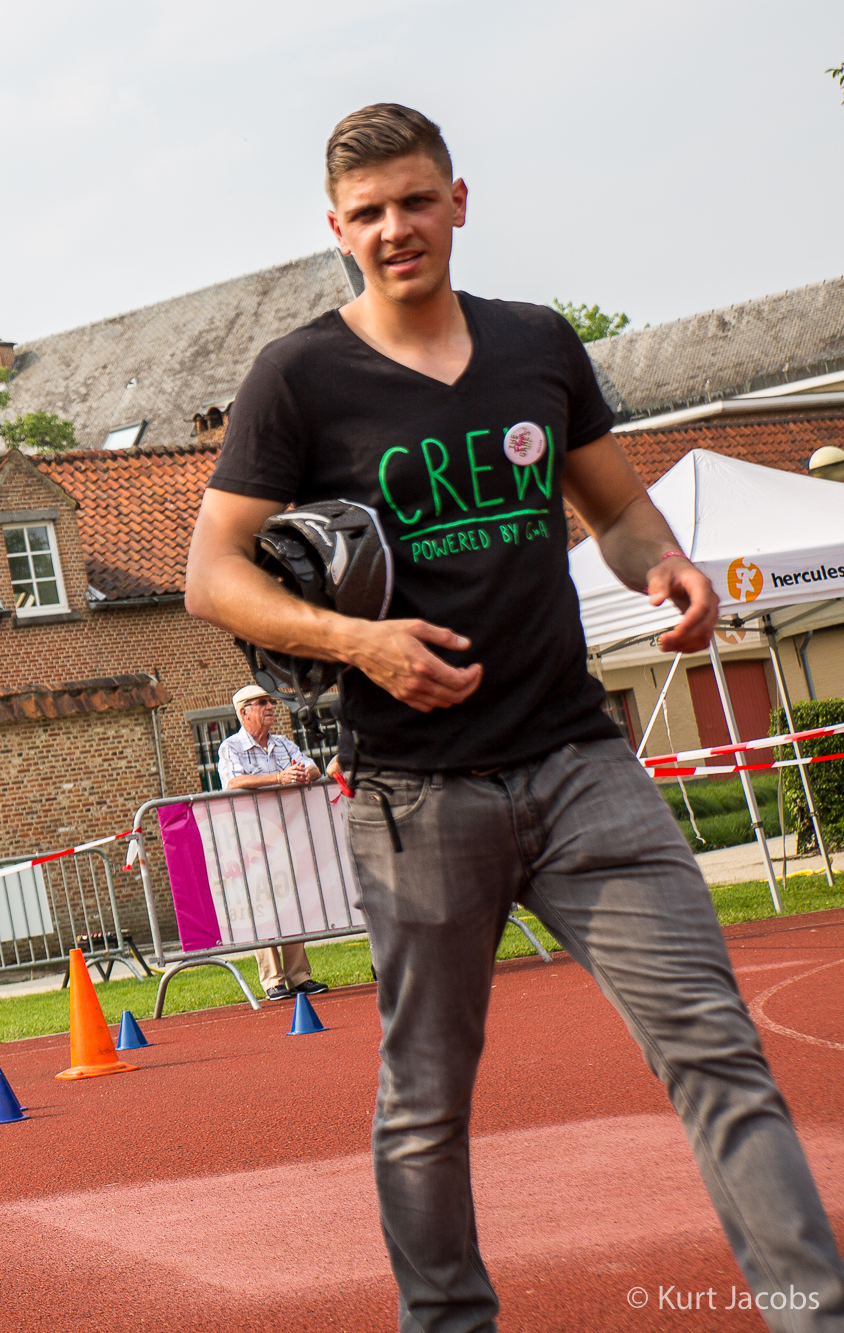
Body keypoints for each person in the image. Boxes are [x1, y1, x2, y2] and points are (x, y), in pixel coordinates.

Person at [184, 104, 844, 1332]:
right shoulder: (296, 376)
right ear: (335, 228)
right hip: (415, 792)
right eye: (367, 213)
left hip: (579, 764)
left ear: (456, 202)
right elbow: (209, 577)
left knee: (714, 1049)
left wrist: (666, 565)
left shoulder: (537, 343)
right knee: (425, 1103)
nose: (394, 229)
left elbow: (617, 513)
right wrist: (356, 640)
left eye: (413, 201)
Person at [216, 684, 330, 1000]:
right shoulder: (230, 747)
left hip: (287, 834)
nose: (270, 707)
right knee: (263, 905)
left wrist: (305, 775)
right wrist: (279, 778)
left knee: (292, 899)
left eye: (271, 702)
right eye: (262, 702)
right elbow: (233, 781)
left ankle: (298, 976)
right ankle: (272, 980)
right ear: (244, 712)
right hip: (251, 839)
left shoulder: (283, 743)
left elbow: (311, 766)